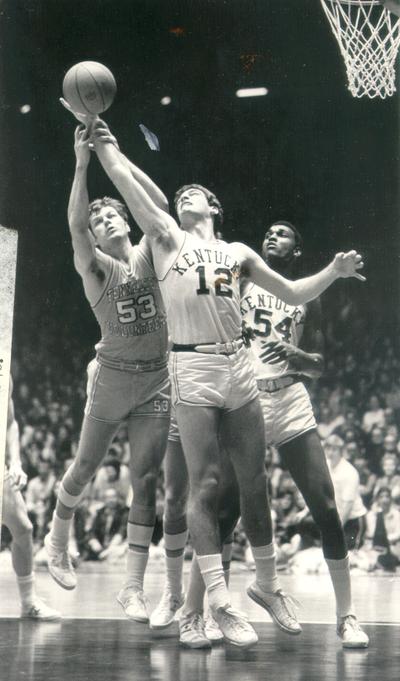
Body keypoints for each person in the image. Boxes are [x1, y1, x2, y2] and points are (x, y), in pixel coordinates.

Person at [91, 116, 364, 649]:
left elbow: (291, 291)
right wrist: (105, 145)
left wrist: (331, 271)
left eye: (195, 192)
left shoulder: (239, 252)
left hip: (242, 367)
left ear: (214, 208)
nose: (185, 194)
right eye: (181, 192)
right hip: (192, 365)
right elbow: (128, 183)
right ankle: (213, 599)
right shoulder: (166, 237)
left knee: (255, 483)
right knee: (207, 487)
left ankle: (265, 584)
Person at [44, 122, 171, 626]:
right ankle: (57, 541)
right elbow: (74, 227)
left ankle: (134, 588)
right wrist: (81, 164)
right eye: (98, 218)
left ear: (124, 221)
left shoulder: (149, 250)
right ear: (95, 237)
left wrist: (111, 152)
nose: (104, 218)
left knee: (146, 481)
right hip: (114, 375)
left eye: (110, 212)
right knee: (85, 466)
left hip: (158, 377)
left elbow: (156, 202)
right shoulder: (96, 267)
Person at [1, 377, 61, 620]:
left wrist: (15, 461)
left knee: (23, 529)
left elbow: (11, 422)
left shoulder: (3, 367)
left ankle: (29, 602)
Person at [324, 434, 367, 552]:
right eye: (328, 448)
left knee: (350, 556)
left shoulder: (349, 472)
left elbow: (348, 506)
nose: (331, 453)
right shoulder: (325, 465)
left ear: (341, 451)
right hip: (337, 518)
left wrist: (338, 529)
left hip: (354, 520)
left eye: (334, 449)